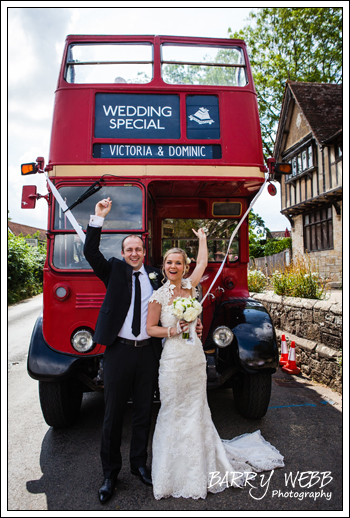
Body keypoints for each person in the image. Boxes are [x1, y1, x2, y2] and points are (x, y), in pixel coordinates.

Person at [146, 228, 284, 500]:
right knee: (172, 409)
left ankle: (203, 461)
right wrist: (173, 331)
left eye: (178, 262)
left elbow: (203, 264)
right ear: (163, 267)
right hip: (173, 359)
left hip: (194, 357)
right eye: (169, 262)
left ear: (184, 267)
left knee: (197, 408)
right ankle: (171, 470)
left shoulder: (190, 286)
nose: (174, 266)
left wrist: (201, 240)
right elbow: (151, 329)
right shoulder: (157, 296)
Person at [84, 197, 202, 504]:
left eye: (139, 249)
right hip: (118, 353)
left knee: (142, 413)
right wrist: (98, 218)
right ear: (123, 254)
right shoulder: (112, 271)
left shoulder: (157, 276)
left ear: (144, 252)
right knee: (112, 414)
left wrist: (193, 324)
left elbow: (180, 296)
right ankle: (110, 473)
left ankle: (139, 464)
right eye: (129, 250)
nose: (134, 253)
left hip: (149, 352)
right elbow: (89, 251)